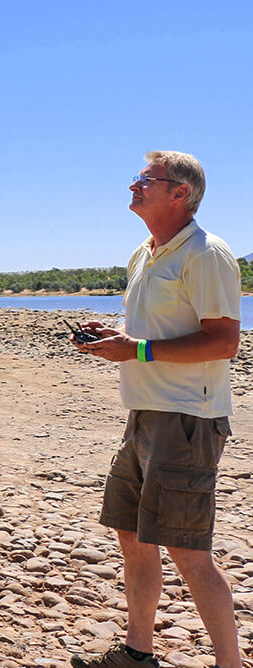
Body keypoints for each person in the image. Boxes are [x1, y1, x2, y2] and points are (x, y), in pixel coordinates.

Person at [70, 150, 243, 668]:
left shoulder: (206, 254)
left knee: (188, 552)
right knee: (132, 534)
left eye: (147, 180)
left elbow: (224, 342)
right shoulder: (145, 252)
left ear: (179, 193)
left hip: (188, 419)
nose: (134, 185)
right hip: (144, 411)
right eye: (137, 178)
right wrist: (116, 339)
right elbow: (153, 333)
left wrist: (138, 349)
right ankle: (137, 654)